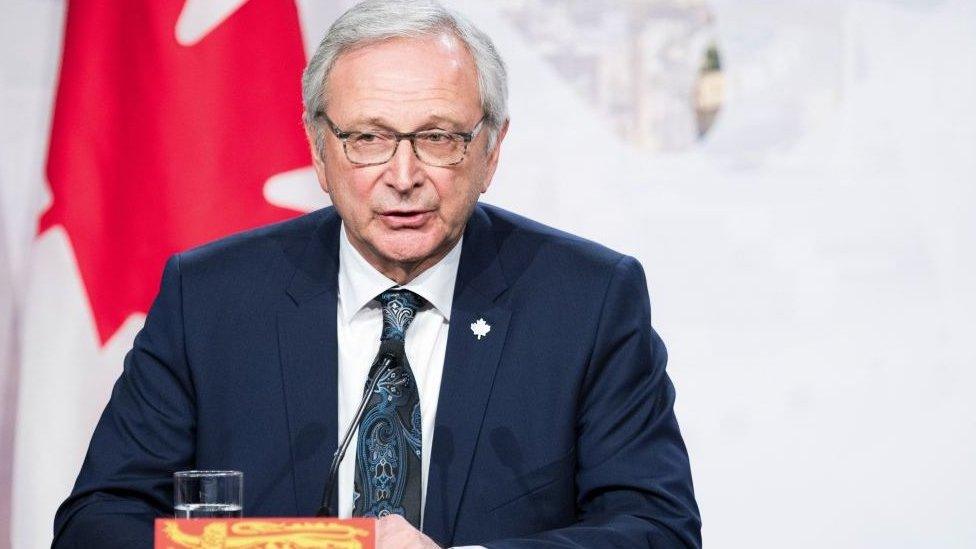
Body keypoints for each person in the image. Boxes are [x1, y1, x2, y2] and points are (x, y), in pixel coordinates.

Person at [53, 1, 701, 547]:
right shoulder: (213, 297)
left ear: (492, 150)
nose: (403, 174)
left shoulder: (585, 302)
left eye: (439, 137)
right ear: (318, 147)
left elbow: (658, 527)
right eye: (368, 138)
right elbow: (96, 521)